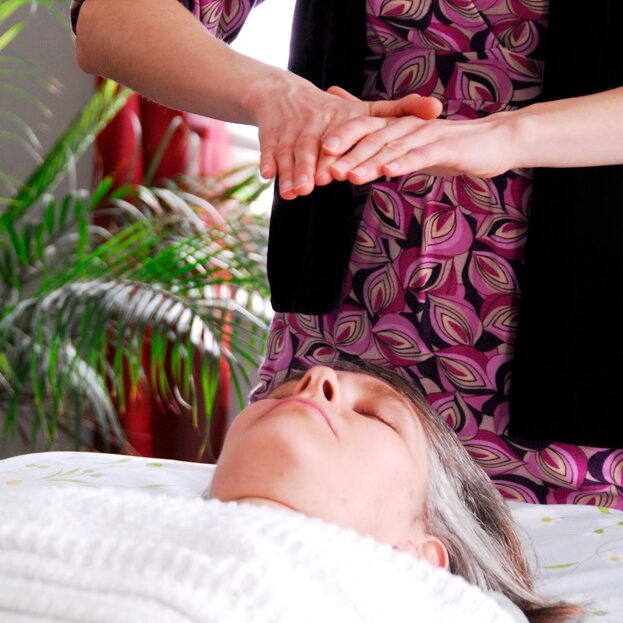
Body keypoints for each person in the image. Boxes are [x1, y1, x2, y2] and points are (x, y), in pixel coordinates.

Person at [70, 0, 623, 509]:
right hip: (344, 329)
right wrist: (275, 93)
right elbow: (109, 17)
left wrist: (506, 136)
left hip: (581, 361)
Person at [208, 361, 584, 622]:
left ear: (419, 561)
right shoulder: (149, 521)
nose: (316, 376)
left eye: (375, 415)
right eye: (278, 397)